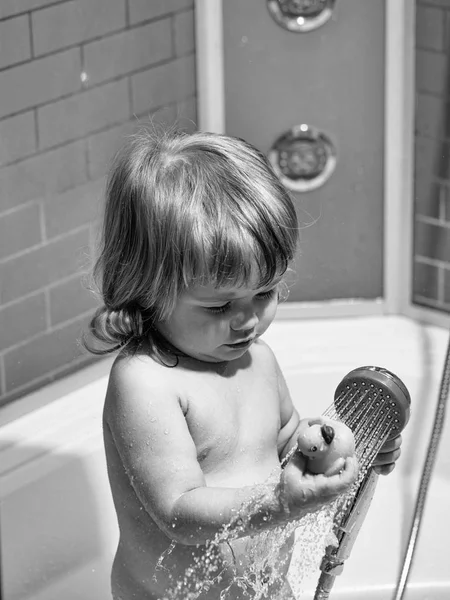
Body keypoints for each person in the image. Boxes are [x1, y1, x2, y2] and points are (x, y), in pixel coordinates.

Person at [84, 128, 401, 600]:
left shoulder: (260, 361)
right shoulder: (147, 384)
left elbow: (287, 441)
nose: (248, 321)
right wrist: (279, 502)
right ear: (146, 287)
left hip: (267, 589)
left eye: (265, 293)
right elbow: (179, 513)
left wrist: (338, 452)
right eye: (218, 307)